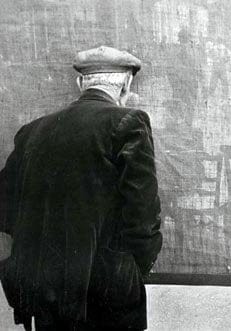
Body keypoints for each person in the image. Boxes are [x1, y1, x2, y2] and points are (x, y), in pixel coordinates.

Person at [0, 46, 162, 331]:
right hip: (108, 289)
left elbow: (5, 208)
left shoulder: (33, 130)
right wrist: (134, 270)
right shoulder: (128, 122)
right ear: (126, 85)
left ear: (80, 84)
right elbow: (143, 212)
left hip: (46, 290)